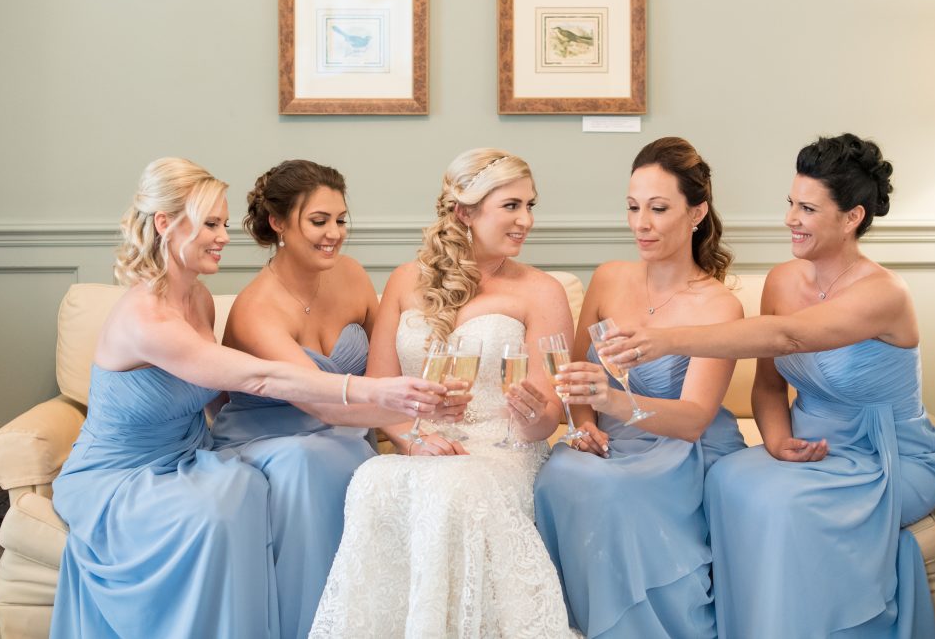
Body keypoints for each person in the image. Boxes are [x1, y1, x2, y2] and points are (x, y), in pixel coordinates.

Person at [49, 157, 455, 638]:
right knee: (227, 502)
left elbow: (217, 397)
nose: (224, 236)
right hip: (122, 474)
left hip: (188, 457)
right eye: (211, 224)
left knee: (242, 487)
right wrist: (381, 394)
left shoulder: (198, 298)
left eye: (224, 223)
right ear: (165, 224)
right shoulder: (146, 320)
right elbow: (259, 379)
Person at [601, 134, 935, 638]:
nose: (790, 218)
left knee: (784, 504)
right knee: (727, 479)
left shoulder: (884, 294)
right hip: (811, 445)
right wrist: (776, 439)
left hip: (887, 454)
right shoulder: (783, 280)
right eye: (790, 203)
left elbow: (787, 337)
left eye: (807, 208)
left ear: (852, 216)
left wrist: (663, 339)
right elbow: (768, 386)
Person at [310, 148, 577, 638]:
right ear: (463, 212)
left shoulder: (542, 292)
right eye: (512, 206)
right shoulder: (404, 282)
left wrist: (532, 410)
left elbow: (548, 419)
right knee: (373, 479)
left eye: (530, 205)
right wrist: (414, 440)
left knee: (457, 487)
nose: (527, 221)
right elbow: (377, 396)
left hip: (504, 448)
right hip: (424, 446)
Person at [209, 160, 466, 639]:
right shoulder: (255, 309)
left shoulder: (350, 275)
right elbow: (322, 402)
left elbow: (383, 372)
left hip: (343, 429)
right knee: (312, 459)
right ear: (279, 223)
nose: (334, 233)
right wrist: (412, 418)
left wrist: (413, 432)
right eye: (319, 221)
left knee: (350, 453)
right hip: (269, 439)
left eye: (341, 219)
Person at [532, 136, 746, 638]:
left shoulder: (719, 306)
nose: (640, 224)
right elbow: (577, 378)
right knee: (559, 476)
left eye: (657, 208)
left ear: (696, 213)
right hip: (610, 442)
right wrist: (584, 426)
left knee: (615, 492)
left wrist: (609, 401)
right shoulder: (609, 279)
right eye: (632, 207)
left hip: (679, 448)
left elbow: (693, 418)